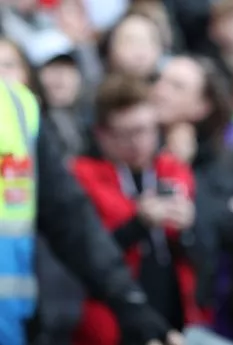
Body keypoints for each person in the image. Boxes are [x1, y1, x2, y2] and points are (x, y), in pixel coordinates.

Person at [0, 80, 182, 345]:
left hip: (12, 328)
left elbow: (71, 221)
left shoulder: (16, 105)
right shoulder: (86, 171)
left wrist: (131, 304)